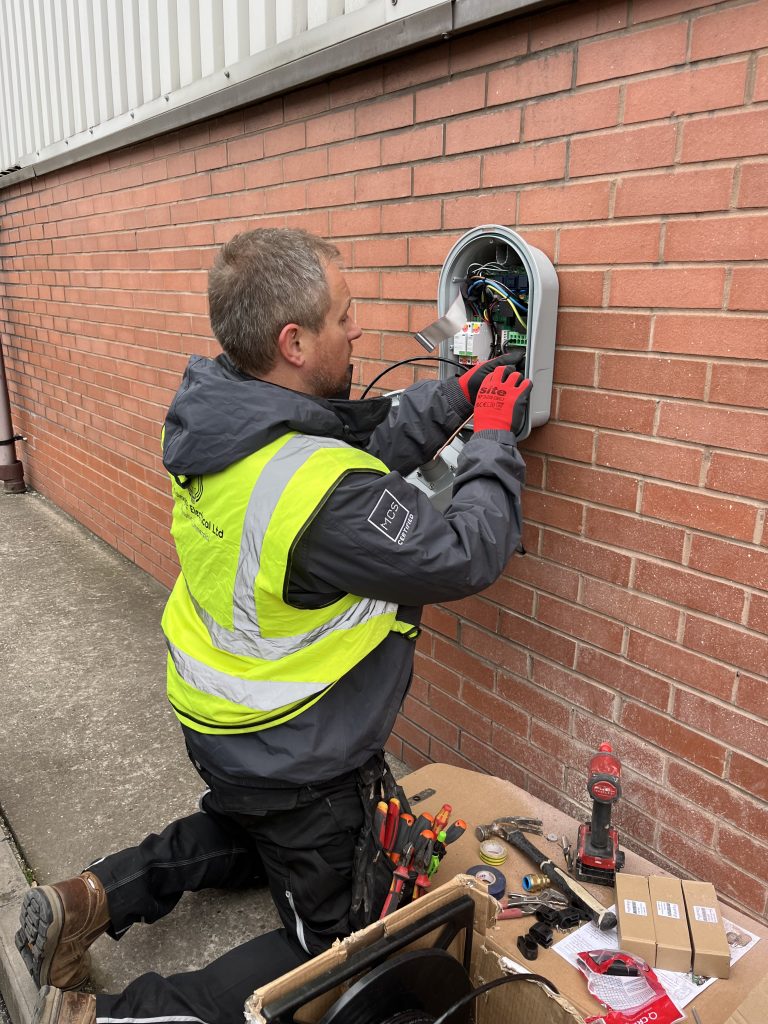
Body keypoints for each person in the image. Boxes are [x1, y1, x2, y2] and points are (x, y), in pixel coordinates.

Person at [16, 228, 532, 1024]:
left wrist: (459, 395)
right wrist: (495, 434)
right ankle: (110, 1020)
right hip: (292, 746)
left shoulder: (226, 413)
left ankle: (85, 900)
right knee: (339, 942)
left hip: (221, 720)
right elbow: (466, 552)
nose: (357, 330)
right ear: (295, 342)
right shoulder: (323, 494)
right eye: (345, 317)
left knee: (254, 831)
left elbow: (358, 442)